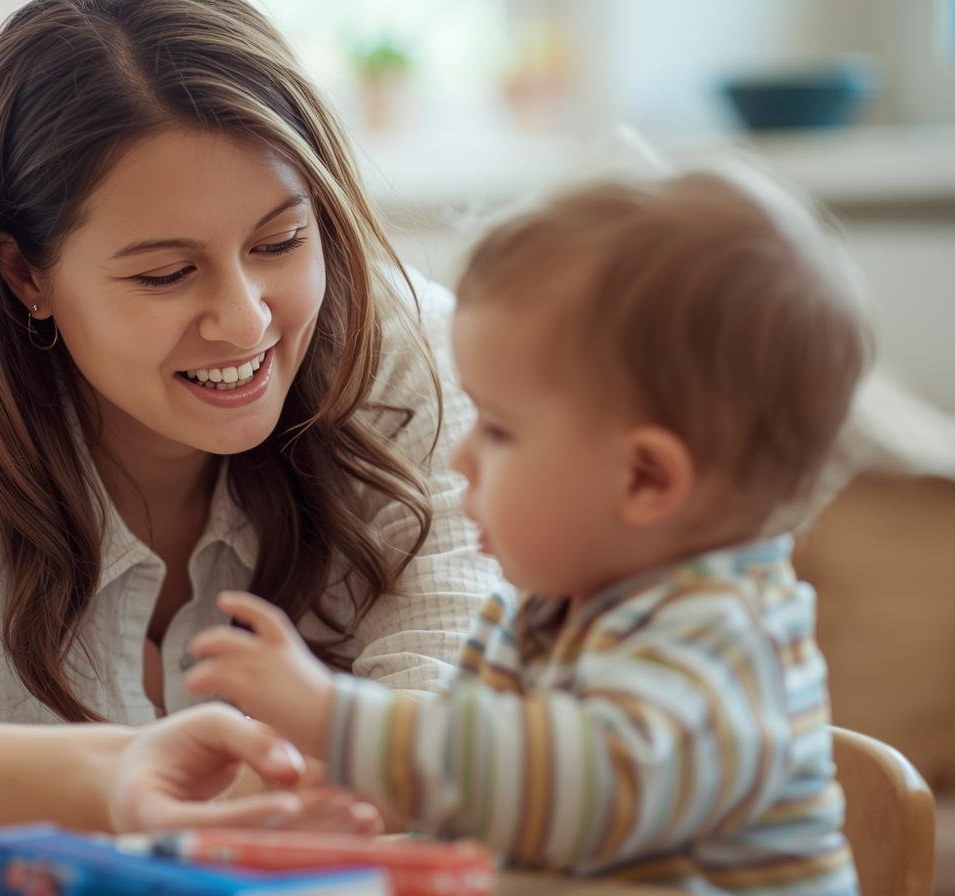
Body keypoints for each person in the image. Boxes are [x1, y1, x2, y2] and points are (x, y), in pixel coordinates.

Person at [0, 0, 496, 854]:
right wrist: (115, 781)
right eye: (165, 274)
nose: (243, 318)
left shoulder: (399, 342)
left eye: (281, 241)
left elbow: (467, 732)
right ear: (24, 273)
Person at [186, 162, 871, 893]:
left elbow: (583, 789)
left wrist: (337, 718)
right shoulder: (540, 615)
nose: (462, 457)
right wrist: (333, 788)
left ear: (644, 479)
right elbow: (474, 788)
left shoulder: (724, 638)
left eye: (501, 430)